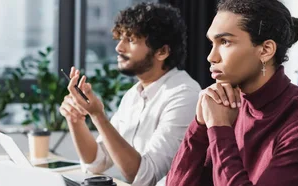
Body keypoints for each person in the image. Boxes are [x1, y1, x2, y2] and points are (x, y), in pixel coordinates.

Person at [165, 0, 298, 185]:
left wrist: (219, 127)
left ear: (266, 50)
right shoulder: (224, 103)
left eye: (225, 42)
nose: (211, 56)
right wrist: (200, 125)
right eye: (212, 43)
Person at [60, 3, 200, 186]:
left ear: (162, 52)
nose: (119, 48)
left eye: (131, 40)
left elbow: (147, 177)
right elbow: (96, 162)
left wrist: (98, 116)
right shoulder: (133, 95)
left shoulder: (185, 96)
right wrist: (76, 120)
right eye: (120, 38)